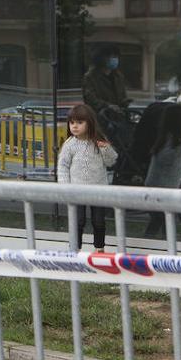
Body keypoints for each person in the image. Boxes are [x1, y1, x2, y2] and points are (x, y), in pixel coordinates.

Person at [56, 103, 118, 252]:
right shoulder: (70, 144)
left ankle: (99, 249)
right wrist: (65, 186)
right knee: (78, 221)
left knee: (99, 221)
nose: (75, 126)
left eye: (79, 122)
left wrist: (106, 149)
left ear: (90, 122)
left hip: (98, 190)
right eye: (72, 123)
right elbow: (63, 165)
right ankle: (75, 250)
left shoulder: (98, 142)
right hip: (76, 191)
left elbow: (111, 161)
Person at [144, 103, 181, 239]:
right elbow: (165, 158)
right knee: (162, 217)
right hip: (160, 189)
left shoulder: (170, 139)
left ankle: (164, 238)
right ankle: (156, 238)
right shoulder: (173, 141)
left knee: (164, 217)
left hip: (164, 187)